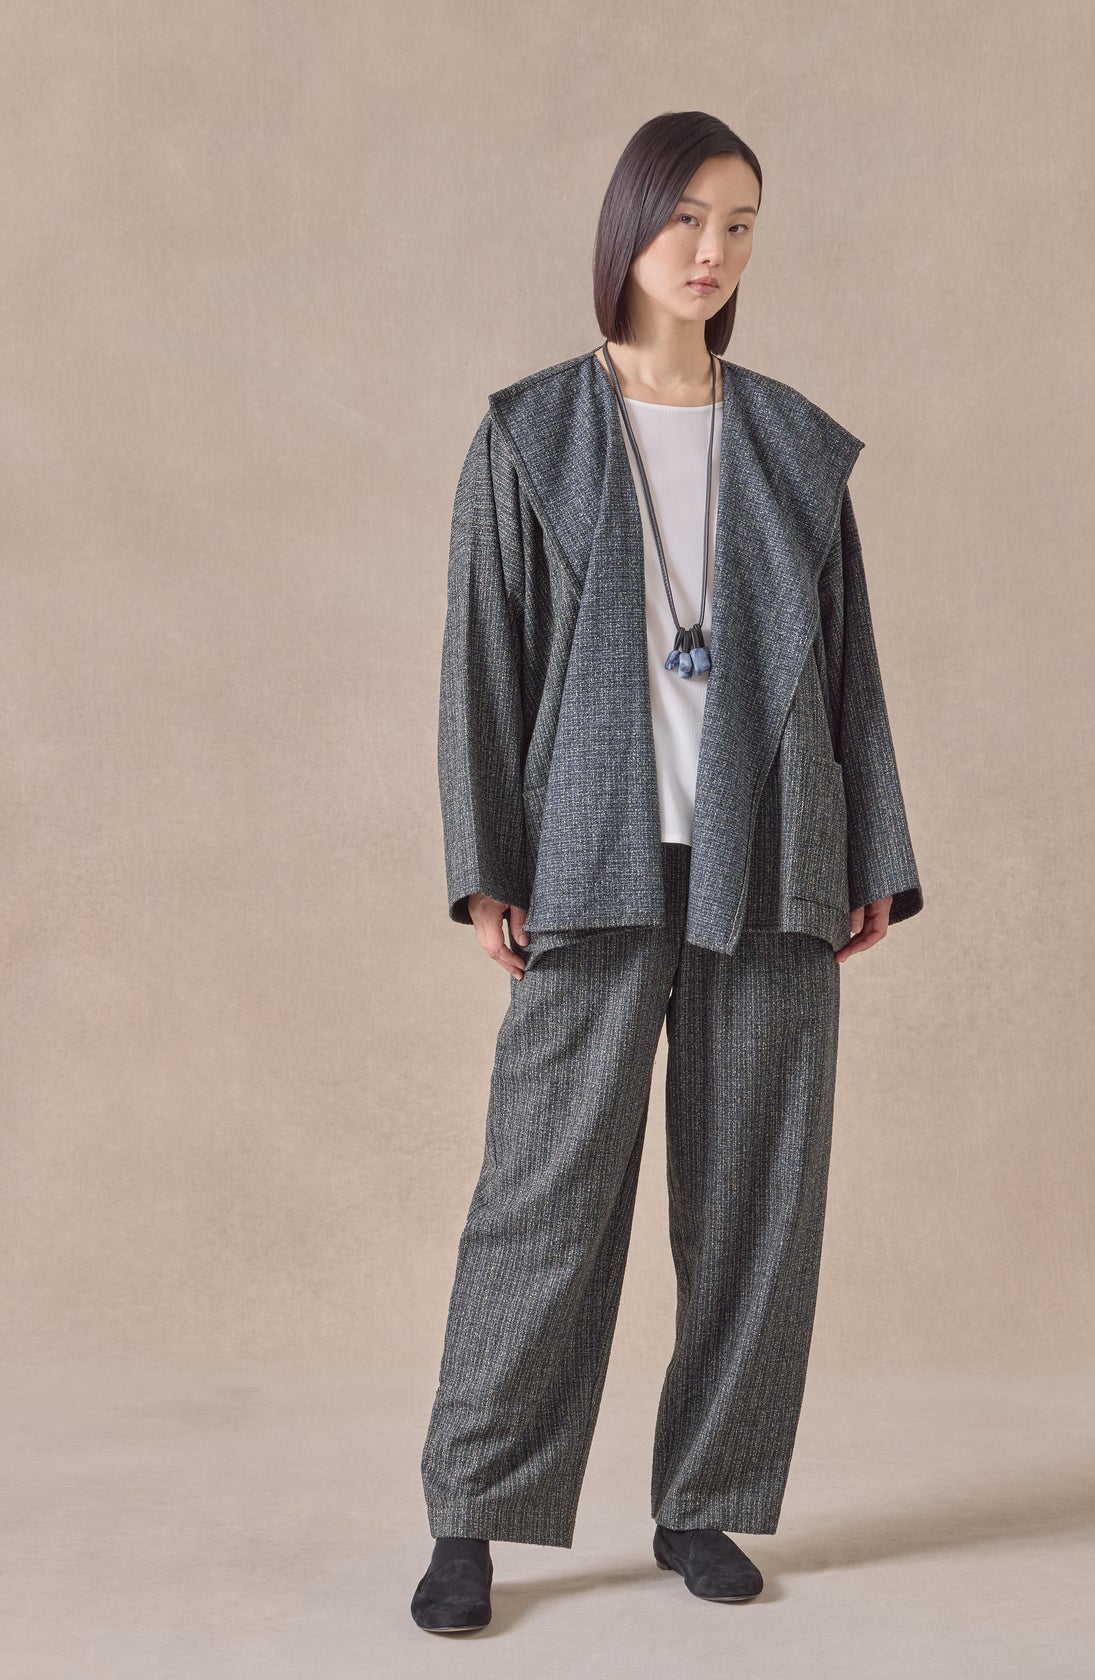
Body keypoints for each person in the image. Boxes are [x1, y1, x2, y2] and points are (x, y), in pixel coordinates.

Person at [412, 110, 924, 1634]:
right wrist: (486, 866)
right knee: (542, 1196)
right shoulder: (530, 435)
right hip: (590, 857)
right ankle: (470, 1517)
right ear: (628, 227)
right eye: (688, 218)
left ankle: (704, 1501)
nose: (713, 251)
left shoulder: (794, 445)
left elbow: (850, 666)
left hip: (773, 855)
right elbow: (480, 665)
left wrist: (870, 853)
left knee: (760, 1194)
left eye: (741, 224)